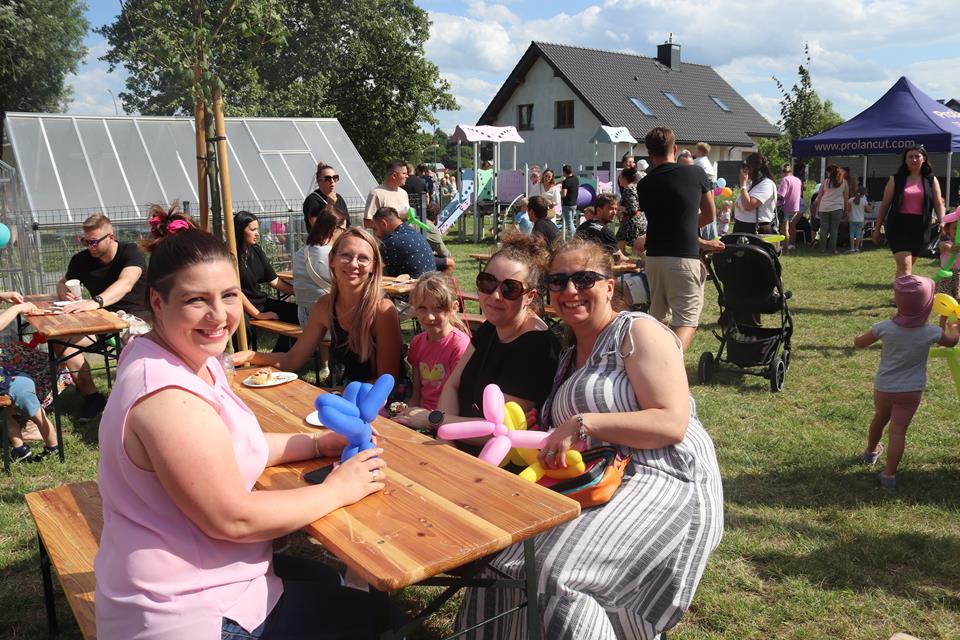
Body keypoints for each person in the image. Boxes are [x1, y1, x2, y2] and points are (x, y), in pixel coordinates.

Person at [94, 221, 387, 640]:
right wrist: (339, 489)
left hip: (204, 575)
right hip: (189, 613)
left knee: (327, 581)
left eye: (229, 295)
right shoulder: (167, 398)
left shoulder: (188, 356)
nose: (219, 315)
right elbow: (234, 519)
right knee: (382, 621)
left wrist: (319, 442)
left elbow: (235, 445)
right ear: (157, 301)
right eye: (197, 299)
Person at [455, 238, 723, 640]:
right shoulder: (567, 358)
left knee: (555, 574)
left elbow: (671, 423)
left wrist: (584, 422)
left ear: (610, 287)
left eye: (584, 279)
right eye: (558, 281)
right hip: (595, 480)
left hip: (664, 475)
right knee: (506, 561)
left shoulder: (637, 331)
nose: (570, 290)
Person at [394, 234, 560, 431]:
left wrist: (434, 420)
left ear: (530, 297)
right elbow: (452, 385)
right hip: (451, 438)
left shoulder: (539, 348)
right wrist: (444, 435)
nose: (496, 295)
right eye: (488, 283)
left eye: (510, 288)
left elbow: (499, 429)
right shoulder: (491, 327)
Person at [235, 228, 401, 385]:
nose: (353, 264)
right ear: (332, 260)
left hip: (383, 399)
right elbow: (293, 359)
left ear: (373, 266)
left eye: (363, 258)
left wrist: (334, 393)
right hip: (344, 392)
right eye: (346, 255)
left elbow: (386, 382)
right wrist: (250, 355)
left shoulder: (382, 310)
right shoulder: (325, 305)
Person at [855, 275, 958, 488]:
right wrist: (953, 328)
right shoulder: (931, 332)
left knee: (880, 418)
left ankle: (871, 452)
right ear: (928, 306)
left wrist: (858, 338)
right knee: (898, 431)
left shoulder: (884, 327)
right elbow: (951, 342)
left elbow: (860, 343)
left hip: (884, 388)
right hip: (911, 391)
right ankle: (889, 476)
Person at [56, 212, 150, 422]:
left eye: (94, 241)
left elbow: (126, 283)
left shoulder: (130, 253)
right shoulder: (81, 260)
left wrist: (95, 301)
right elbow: (63, 282)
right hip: (100, 322)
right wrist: (63, 291)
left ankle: (134, 403)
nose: (89, 246)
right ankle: (92, 398)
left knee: (133, 346)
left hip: (136, 321)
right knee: (61, 342)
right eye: (85, 241)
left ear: (111, 237)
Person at [636, 127, 718, 351]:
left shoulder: (643, 184)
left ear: (649, 154)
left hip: (654, 258)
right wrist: (688, 227)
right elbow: (709, 215)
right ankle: (667, 364)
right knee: (686, 321)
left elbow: (658, 219)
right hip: (683, 257)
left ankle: (652, 360)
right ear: (674, 149)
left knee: (658, 319)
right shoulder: (695, 173)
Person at [0, 292, 60, 462]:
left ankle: (20, 449)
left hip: (5, 378)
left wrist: (3, 296)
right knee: (35, 411)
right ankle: (53, 446)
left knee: (6, 411)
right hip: (10, 380)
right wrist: (18, 308)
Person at [873, 146, 947, 276]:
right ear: (905, 160)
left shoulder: (931, 180)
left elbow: (938, 203)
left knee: (906, 267)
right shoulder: (895, 179)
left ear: (924, 159)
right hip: (898, 226)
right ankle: (902, 288)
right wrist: (877, 229)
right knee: (905, 267)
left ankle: (901, 286)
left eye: (917, 156)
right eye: (910, 157)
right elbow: (885, 205)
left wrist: (942, 221)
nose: (914, 159)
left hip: (920, 228)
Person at [233, 211, 299, 351]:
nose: (257, 233)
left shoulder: (256, 251)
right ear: (240, 231)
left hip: (260, 302)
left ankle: (279, 357)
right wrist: (258, 315)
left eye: (257, 229)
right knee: (244, 327)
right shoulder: (230, 254)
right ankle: (240, 361)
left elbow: (274, 281)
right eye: (252, 230)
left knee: (297, 314)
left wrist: (298, 292)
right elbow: (236, 292)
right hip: (240, 306)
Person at [405, 273, 470, 412]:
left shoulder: (459, 345)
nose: (429, 316)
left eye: (438, 308)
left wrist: (428, 417)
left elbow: (460, 397)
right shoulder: (417, 342)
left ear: (454, 308)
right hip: (420, 411)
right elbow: (416, 395)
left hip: (445, 415)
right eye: (422, 308)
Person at [292, 206, 347, 327]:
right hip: (329, 316)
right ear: (334, 228)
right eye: (344, 230)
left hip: (304, 316)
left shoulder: (301, 252)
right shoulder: (332, 255)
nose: (345, 234)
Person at [371, 206, 437, 278]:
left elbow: (374, 268)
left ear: (383, 223)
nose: (376, 234)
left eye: (375, 229)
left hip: (411, 284)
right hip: (430, 281)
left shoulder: (390, 242)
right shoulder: (416, 234)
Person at [732, 152, 778, 235]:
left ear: (753, 169)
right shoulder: (750, 184)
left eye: (746, 168)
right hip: (741, 227)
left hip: (756, 229)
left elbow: (748, 206)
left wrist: (743, 185)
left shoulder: (767, 184)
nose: (743, 171)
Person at [576, 193, 625, 260]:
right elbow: (619, 258)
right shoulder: (606, 233)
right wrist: (636, 262)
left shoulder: (582, 227)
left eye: (615, 209)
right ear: (599, 210)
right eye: (610, 209)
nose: (614, 213)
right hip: (595, 265)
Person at [302, 162, 350, 232]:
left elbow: (347, 224)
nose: (332, 181)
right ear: (319, 181)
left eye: (335, 177)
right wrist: (329, 205)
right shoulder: (312, 200)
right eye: (327, 178)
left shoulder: (339, 198)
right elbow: (317, 229)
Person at [813, 165, 850, 253]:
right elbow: (846, 197)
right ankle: (833, 249)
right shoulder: (844, 182)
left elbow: (820, 196)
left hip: (824, 207)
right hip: (837, 208)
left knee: (823, 228)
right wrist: (846, 210)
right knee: (834, 229)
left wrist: (818, 208)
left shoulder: (825, 182)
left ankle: (822, 248)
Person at [363, 160, 411, 227]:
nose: (407, 176)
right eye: (404, 173)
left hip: (405, 233)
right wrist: (391, 224)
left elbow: (407, 217)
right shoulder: (376, 193)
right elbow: (367, 223)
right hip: (387, 234)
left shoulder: (403, 193)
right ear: (394, 175)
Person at [616, 166, 645, 254]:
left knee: (635, 246)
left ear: (624, 178)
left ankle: (621, 260)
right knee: (621, 242)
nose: (619, 179)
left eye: (620, 177)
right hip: (638, 220)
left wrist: (619, 207)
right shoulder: (635, 187)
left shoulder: (628, 189)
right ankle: (622, 260)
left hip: (632, 222)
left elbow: (632, 209)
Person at [935, 208, 960, 299]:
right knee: (945, 298)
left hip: (959, 277)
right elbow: (945, 247)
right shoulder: (945, 244)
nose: (958, 231)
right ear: (948, 229)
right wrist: (951, 248)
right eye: (955, 228)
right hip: (946, 276)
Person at [423, 202, 456, 272]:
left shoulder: (419, 221)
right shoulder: (430, 227)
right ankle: (444, 279)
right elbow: (442, 250)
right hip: (422, 259)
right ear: (436, 216)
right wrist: (450, 256)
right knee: (450, 262)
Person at [779, 163, 803, 252]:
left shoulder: (785, 180)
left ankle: (785, 249)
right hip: (795, 207)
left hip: (786, 207)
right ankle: (792, 244)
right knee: (792, 226)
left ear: (782, 172)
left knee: (784, 229)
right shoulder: (798, 180)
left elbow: (781, 195)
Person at [846, 187, 873, 253]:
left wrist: (846, 217)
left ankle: (852, 248)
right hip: (860, 220)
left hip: (852, 219)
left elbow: (848, 210)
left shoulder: (851, 200)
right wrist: (872, 205)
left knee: (852, 234)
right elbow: (869, 210)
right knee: (858, 234)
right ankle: (857, 248)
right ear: (863, 194)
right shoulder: (864, 201)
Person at [559, 165, 580, 238]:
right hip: (574, 204)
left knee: (569, 223)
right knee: (572, 222)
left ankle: (574, 238)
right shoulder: (575, 179)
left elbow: (564, 194)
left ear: (564, 172)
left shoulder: (565, 182)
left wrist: (559, 192)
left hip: (567, 204)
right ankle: (575, 236)